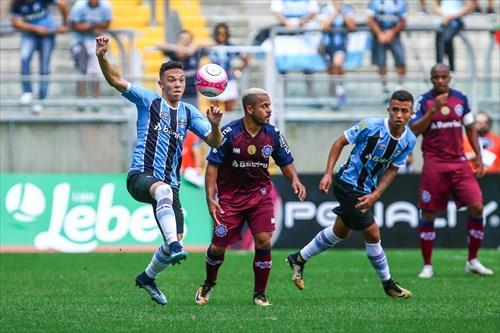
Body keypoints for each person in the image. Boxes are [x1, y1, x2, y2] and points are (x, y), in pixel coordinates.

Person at [95, 35, 223, 305]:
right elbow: (116, 80)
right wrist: (102, 57)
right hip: (141, 176)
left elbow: (214, 142)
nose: (177, 84)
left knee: (174, 237)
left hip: (171, 185)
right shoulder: (148, 100)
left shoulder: (189, 112)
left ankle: (147, 277)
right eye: (172, 80)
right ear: (161, 83)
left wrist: (214, 124)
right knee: (163, 194)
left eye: (181, 80)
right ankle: (175, 248)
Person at [286, 90, 416, 299]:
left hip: (366, 189)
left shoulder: (409, 140)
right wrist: (328, 173)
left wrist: (376, 194)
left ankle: (298, 258)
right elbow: (339, 142)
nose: (399, 115)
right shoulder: (370, 126)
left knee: (340, 232)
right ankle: (388, 283)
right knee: (373, 233)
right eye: (395, 110)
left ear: (411, 113)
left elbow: (393, 168)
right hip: (347, 183)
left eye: (404, 111)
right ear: (388, 109)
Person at [194, 88, 306, 307]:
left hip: (261, 196)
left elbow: (285, 161)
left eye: (269, 106)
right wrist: (210, 197)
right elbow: (212, 166)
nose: (269, 110)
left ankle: (260, 294)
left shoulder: (272, 133)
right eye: (264, 106)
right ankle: (208, 283)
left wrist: (295, 179)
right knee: (217, 247)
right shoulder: (229, 133)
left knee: (263, 241)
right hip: (230, 199)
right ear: (249, 109)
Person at [410, 63, 493, 278]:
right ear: (431, 79)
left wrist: (479, 157)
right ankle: (427, 265)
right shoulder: (424, 101)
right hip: (434, 163)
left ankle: (472, 260)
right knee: (428, 212)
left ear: (450, 78)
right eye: (436, 77)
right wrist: (432, 110)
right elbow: (414, 129)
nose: (440, 81)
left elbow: (471, 128)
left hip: (459, 163)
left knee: (477, 206)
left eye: (443, 77)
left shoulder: (461, 99)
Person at [10, 0, 69, 114]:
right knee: (24, 58)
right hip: (29, 34)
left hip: (48, 34)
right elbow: (15, 22)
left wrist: (64, 24)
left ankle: (41, 99)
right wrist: (35, 28)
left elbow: (63, 3)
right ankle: (27, 92)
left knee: (44, 66)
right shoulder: (17, 2)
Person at [69, 0, 112, 112]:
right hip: (79, 41)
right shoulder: (79, 5)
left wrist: (88, 26)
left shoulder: (105, 5)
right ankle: (81, 99)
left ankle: (96, 99)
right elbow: (75, 25)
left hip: (97, 42)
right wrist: (93, 27)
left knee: (96, 72)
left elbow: (106, 23)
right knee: (81, 71)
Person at [367, 0, 408, 103]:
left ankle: (399, 89)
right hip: (378, 36)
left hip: (395, 35)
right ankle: (385, 90)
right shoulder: (374, 2)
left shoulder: (401, 2)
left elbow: (403, 20)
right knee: (381, 64)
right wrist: (379, 33)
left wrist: (392, 32)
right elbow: (370, 19)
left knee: (400, 61)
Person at [319, 0, 356, 107]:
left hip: (341, 44)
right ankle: (335, 95)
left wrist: (342, 13)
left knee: (338, 63)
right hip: (327, 45)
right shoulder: (325, 8)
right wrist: (335, 12)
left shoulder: (347, 8)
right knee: (330, 71)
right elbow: (325, 26)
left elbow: (351, 25)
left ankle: (339, 90)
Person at [208, 23, 248, 112]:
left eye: (224, 33)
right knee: (214, 110)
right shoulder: (211, 48)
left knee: (229, 110)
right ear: (216, 34)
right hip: (214, 81)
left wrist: (238, 70)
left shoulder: (232, 47)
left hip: (229, 80)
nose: (222, 36)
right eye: (219, 33)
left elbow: (246, 59)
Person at [156, 30, 203, 107]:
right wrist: (181, 49)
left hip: (192, 92)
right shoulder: (173, 53)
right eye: (182, 38)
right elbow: (158, 44)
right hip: (176, 92)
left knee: (192, 115)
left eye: (187, 38)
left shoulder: (196, 52)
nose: (185, 40)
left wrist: (194, 47)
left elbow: (211, 44)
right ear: (178, 40)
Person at [434, 0, 474, 73]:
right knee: (440, 41)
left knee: (447, 39)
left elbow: (469, 5)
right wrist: (444, 15)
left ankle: (451, 70)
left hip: (457, 20)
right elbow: (436, 6)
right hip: (442, 21)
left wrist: (452, 16)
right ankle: (439, 68)